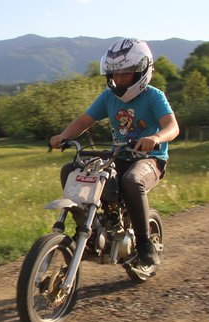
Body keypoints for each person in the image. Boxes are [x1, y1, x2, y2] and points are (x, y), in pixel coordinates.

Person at [49, 38, 179, 266]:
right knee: (71, 170)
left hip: (150, 159)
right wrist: (64, 136)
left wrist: (155, 138)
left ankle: (144, 243)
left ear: (142, 71)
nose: (118, 79)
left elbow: (172, 126)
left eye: (125, 73)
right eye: (114, 73)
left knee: (132, 180)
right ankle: (87, 228)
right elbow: (84, 120)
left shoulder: (154, 96)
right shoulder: (109, 97)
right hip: (119, 157)